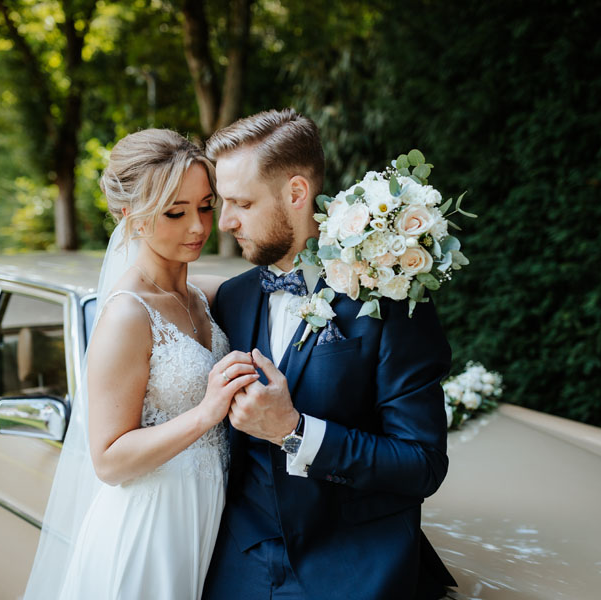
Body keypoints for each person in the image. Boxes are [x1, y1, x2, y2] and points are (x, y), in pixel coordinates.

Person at [202, 109, 457, 599]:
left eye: (242, 202)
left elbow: (423, 464)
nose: (226, 221)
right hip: (238, 569)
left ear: (296, 194)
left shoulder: (388, 300)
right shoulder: (230, 301)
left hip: (353, 572)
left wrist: (294, 432)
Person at [24, 129, 257, 599]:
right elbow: (108, 460)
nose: (198, 227)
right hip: (148, 528)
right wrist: (207, 412)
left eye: (206, 206)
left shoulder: (201, 297)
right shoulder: (128, 314)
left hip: (207, 519)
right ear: (133, 218)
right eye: (176, 212)